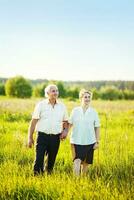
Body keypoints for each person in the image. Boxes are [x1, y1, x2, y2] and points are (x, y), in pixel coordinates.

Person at [28, 84, 69, 175]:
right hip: (42, 136)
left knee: (51, 161)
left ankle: (48, 177)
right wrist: (30, 137)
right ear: (47, 93)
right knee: (39, 160)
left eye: (57, 91)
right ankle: (37, 179)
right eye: (53, 91)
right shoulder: (41, 105)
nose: (56, 93)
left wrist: (65, 131)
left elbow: (66, 121)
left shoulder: (62, 106)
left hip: (55, 137)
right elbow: (33, 121)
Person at [69, 89, 100, 176]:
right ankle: (76, 181)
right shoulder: (75, 111)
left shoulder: (93, 112)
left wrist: (97, 142)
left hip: (90, 141)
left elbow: (97, 127)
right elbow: (70, 124)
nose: (87, 99)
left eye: (89, 97)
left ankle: (83, 182)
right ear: (81, 98)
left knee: (86, 164)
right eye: (85, 97)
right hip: (76, 141)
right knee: (77, 161)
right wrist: (65, 133)